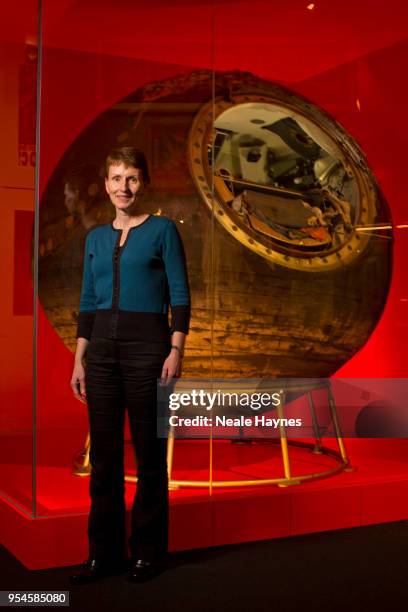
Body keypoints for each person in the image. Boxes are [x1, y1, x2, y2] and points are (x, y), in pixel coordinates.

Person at [69, 146, 190, 584]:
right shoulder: (95, 239)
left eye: (132, 178)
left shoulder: (162, 231)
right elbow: (87, 301)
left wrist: (175, 350)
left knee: (151, 457)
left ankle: (148, 553)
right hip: (100, 354)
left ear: (144, 183)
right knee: (103, 460)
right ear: (106, 185)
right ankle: (103, 556)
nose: (124, 186)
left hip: (148, 354)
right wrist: (80, 359)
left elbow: (180, 295)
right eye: (116, 178)